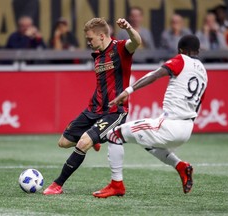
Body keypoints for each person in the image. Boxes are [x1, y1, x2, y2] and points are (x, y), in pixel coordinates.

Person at [93, 35, 208, 198]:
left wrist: (128, 91)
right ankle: (181, 166)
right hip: (187, 129)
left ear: (180, 50)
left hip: (170, 125)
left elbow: (154, 75)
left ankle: (116, 185)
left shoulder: (181, 59)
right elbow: (198, 104)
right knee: (144, 139)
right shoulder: (203, 72)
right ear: (198, 51)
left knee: (114, 135)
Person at [43, 17, 141, 195]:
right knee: (63, 142)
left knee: (83, 142)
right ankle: (96, 138)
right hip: (93, 109)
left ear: (102, 36)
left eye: (90, 39)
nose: (88, 42)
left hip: (114, 111)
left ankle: (57, 184)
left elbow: (136, 41)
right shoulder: (97, 55)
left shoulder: (120, 48)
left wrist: (128, 28)